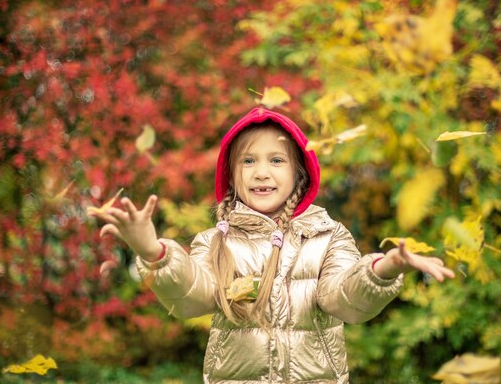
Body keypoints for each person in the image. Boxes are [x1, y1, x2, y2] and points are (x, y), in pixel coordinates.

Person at [88, 107, 455, 383]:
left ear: (299, 173)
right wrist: (154, 254)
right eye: (248, 161)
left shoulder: (327, 236)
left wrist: (384, 269)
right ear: (232, 175)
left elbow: (345, 300)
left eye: (275, 160)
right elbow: (192, 296)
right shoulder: (216, 241)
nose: (261, 172)